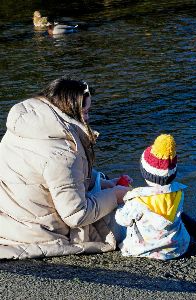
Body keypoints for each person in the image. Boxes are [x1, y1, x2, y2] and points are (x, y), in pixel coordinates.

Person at [0, 77, 132, 259]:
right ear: (70, 111)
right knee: (128, 224)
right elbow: (76, 215)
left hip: (9, 218)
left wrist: (102, 183)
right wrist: (116, 196)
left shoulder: (25, 124)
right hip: (38, 232)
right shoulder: (62, 153)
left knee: (102, 180)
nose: (88, 118)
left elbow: (48, 174)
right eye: (85, 112)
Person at [115, 134, 196, 260]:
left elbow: (122, 220)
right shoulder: (179, 193)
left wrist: (120, 203)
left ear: (144, 173)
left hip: (145, 249)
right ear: (173, 173)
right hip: (178, 248)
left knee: (122, 219)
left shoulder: (137, 200)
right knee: (181, 215)